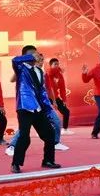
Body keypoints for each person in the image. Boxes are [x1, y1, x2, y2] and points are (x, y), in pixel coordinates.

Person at [5, 54, 69, 155]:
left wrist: (53, 102)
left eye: (42, 60)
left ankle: (55, 144)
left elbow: (47, 89)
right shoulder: (24, 70)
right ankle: (12, 146)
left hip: (43, 105)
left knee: (56, 122)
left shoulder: (42, 73)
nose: (40, 61)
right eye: (38, 59)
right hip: (29, 106)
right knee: (24, 129)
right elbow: (12, 79)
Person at [10, 45, 60, 174]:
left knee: (49, 133)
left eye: (36, 53)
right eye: (32, 54)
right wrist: (30, 57)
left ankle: (48, 160)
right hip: (24, 108)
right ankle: (16, 163)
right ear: (25, 56)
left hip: (38, 109)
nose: (36, 56)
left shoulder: (39, 71)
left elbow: (42, 92)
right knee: (24, 137)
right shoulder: (20, 68)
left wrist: (47, 108)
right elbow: (14, 60)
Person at [47, 58, 71, 134]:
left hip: (56, 97)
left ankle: (65, 129)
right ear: (50, 65)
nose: (57, 66)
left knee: (66, 112)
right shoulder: (48, 73)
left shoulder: (59, 75)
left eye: (58, 64)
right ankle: (42, 131)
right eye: (55, 64)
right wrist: (59, 69)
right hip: (47, 97)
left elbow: (62, 88)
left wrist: (64, 100)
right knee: (45, 114)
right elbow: (51, 71)